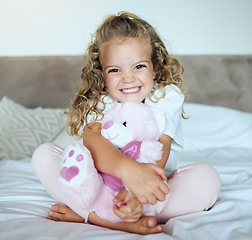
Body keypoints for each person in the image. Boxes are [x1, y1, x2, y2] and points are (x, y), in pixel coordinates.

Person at [32, 11, 221, 235]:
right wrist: (129, 172)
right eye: (114, 70)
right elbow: (93, 140)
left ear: (156, 68)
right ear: (102, 75)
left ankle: (90, 214)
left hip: (152, 184)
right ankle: (111, 219)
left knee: (207, 178)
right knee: (43, 155)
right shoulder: (101, 99)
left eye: (139, 66)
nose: (128, 78)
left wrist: (137, 193)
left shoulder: (166, 96)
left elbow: (162, 143)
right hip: (101, 185)